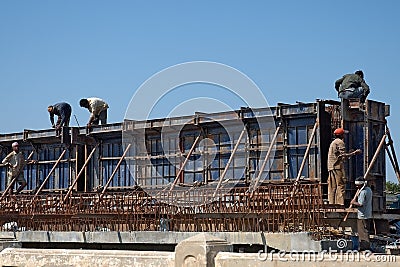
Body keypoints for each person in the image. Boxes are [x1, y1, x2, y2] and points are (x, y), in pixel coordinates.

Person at [327, 128, 361, 205]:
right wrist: (354, 153)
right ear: (341, 135)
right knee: (341, 185)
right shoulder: (340, 142)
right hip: (337, 166)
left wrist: (349, 153)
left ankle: (332, 203)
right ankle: (340, 203)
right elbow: (342, 156)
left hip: (331, 166)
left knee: (332, 186)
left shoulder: (333, 142)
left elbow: (339, 155)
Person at [350, 177, 373, 251]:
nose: (356, 187)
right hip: (368, 213)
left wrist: (353, 202)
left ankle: (364, 248)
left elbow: (360, 204)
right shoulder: (369, 190)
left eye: (357, 185)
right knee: (365, 231)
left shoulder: (363, 192)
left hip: (362, 215)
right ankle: (365, 247)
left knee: (362, 232)